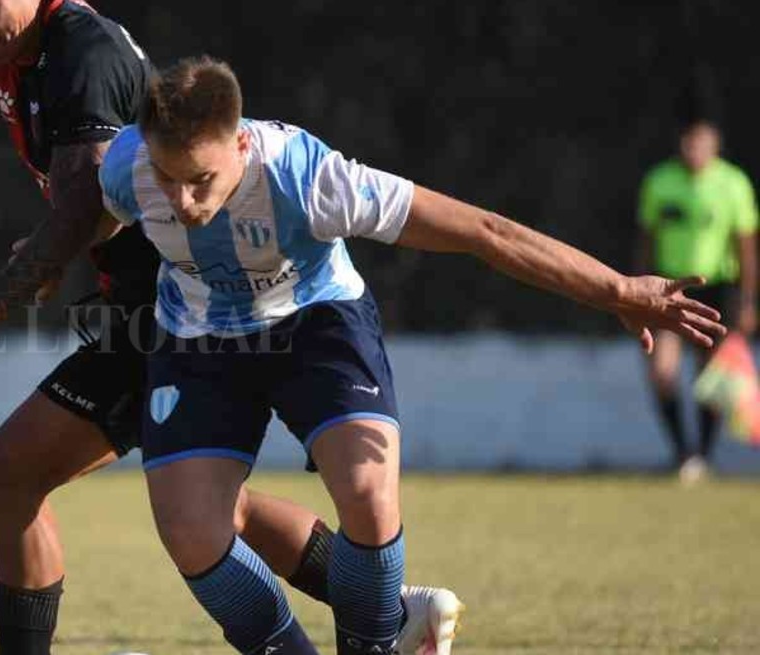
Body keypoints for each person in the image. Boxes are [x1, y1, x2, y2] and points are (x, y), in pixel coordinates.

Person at [0, 1, 459, 653]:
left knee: (13, 475)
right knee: (196, 507)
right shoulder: (6, 47)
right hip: (143, 309)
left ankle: (386, 611)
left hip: (172, 313)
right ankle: (393, 609)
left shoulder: (83, 53)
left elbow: (82, 207)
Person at [82, 56, 724, 654]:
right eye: (167, 179)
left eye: (201, 180)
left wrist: (614, 289)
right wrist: (47, 263)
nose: (183, 201)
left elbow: (484, 232)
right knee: (191, 531)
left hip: (315, 322)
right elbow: (97, 215)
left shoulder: (307, 177)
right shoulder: (130, 167)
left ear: (241, 144)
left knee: (368, 494)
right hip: (198, 338)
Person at [636, 117, 757, 483]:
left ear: (715, 146)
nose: (694, 151)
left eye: (702, 144)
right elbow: (645, 240)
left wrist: (748, 301)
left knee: (709, 379)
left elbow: (746, 247)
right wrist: (635, 291)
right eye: (689, 143)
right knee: (662, 372)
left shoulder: (733, 183)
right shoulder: (660, 181)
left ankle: (702, 456)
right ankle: (682, 453)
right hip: (670, 288)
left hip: (716, 288)